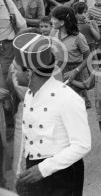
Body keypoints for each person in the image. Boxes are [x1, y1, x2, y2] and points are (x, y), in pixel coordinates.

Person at [13, 32, 91, 196]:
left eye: (16, 67)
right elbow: (28, 135)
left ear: (29, 73)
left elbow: (82, 145)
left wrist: (43, 168)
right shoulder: (29, 94)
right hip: (34, 169)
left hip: (62, 173)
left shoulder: (68, 99)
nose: (12, 70)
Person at [50, 6, 91, 106]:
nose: (51, 21)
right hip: (57, 70)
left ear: (62, 22)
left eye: (54, 18)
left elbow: (88, 57)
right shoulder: (53, 32)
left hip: (74, 71)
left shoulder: (78, 37)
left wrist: (76, 71)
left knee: (73, 104)